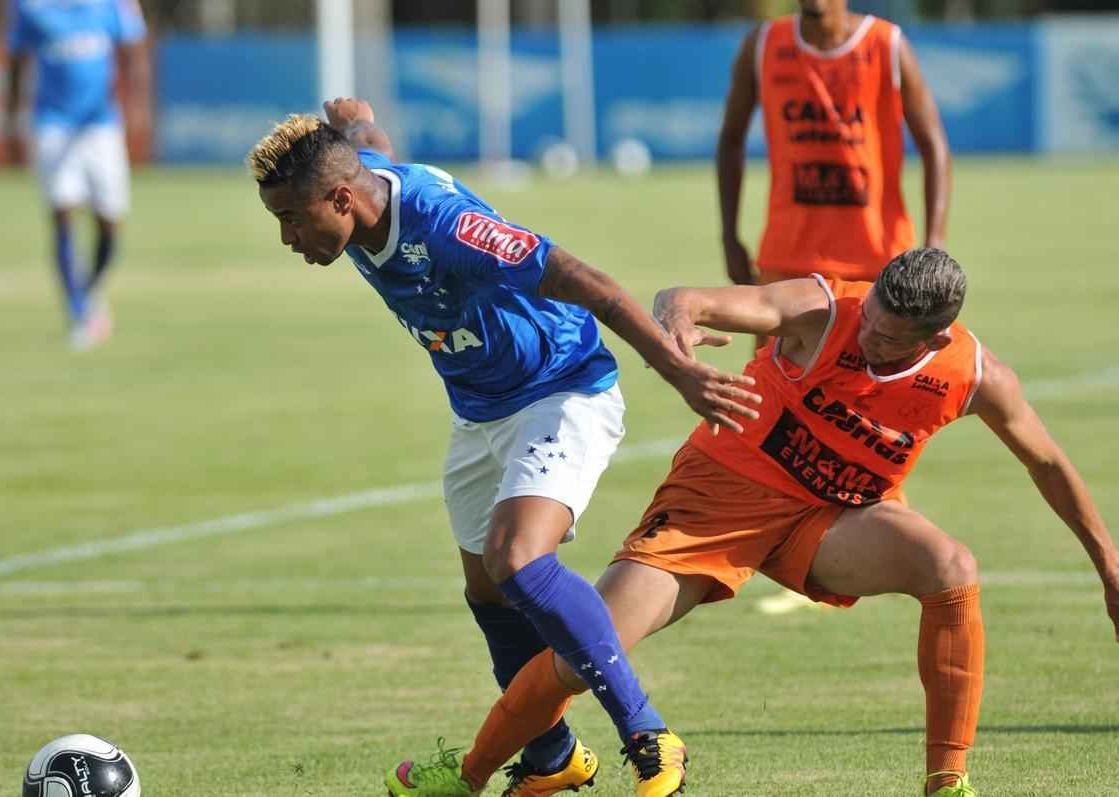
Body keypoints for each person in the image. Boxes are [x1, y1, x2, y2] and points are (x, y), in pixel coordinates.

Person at [391, 248, 1119, 797]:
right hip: (715, 503)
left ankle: (948, 778)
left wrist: (1110, 565)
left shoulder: (972, 375)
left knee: (952, 566)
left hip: (829, 521)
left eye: (886, 336)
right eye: (868, 313)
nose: (865, 333)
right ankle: (464, 776)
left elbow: (1047, 463)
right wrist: (679, 330)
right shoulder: (820, 309)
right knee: (584, 650)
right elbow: (686, 298)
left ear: (934, 340)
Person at [246, 99, 761, 797]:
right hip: (478, 410)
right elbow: (366, 143)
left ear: (340, 199)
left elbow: (588, 282)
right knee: (487, 590)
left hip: (561, 388)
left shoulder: (448, 227)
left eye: (291, 219)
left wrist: (680, 374)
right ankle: (552, 756)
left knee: (518, 558)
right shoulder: (358, 176)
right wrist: (358, 118)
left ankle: (648, 734)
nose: (288, 238)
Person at [717, 0, 951, 350]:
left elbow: (934, 146)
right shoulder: (763, 45)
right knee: (769, 394)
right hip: (787, 259)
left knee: (874, 394)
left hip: (876, 260)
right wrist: (729, 236)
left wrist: (935, 240)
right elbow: (731, 139)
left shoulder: (887, 44)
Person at [5, 0, 149, 350]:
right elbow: (17, 62)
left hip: (100, 124)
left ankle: (90, 292)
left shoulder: (112, 4)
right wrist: (13, 121)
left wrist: (136, 106)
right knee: (62, 211)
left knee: (110, 223)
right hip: (52, 123)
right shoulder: (29, 6)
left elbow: (133, 51)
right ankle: (79, 311)